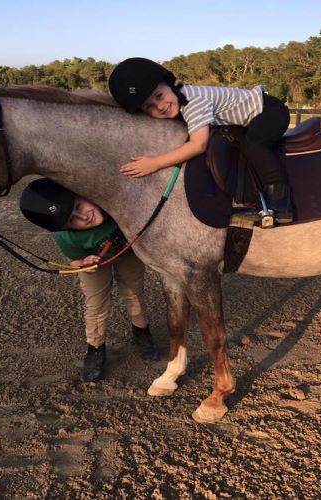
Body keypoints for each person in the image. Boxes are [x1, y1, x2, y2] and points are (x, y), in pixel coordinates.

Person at [108, 57, 294, 224]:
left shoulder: (193, 101)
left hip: (268, 110)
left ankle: (280, 204)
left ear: (169, 84)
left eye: (159, 96)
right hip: (256, 114)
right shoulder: (181, 100)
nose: (161, 106)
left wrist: (156, 162)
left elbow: (199, 144)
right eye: (150, 107)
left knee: (253, 144)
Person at [19, 178, 159, 383]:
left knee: (134, 293)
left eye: (78, 206)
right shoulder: (65, 238)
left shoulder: (113, 202)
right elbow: (74, 261)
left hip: (128, 254)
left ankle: (141, 332)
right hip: (93, 264)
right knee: (96, 304)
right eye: (72, 220)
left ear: (83, 193)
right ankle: (95, 349)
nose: (83, 217)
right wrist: (83, 262)